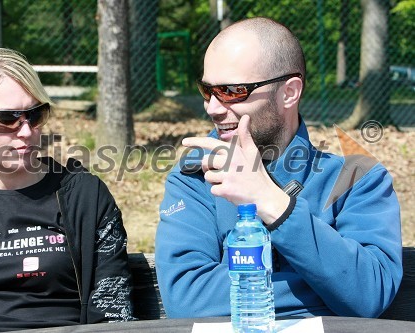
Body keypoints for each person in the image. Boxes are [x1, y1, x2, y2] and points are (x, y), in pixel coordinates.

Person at [155, 17, 402, 319]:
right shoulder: (194, 179)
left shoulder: (358, 180)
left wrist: (273, 203)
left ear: (289, 92)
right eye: (207, 90)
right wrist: (333, 289)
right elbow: (187, 298)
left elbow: (368, 292)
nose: (213, 108)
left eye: (232, 90)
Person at [0, 48, 134, 333]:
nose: (26, 131)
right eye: (6, 119)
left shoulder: (84, 198)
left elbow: (113, 314)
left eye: (35, 114)